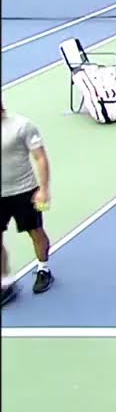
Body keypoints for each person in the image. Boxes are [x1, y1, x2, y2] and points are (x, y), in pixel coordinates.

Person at [1, 102, 54, 306]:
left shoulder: (21, 125)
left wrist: (44, 189)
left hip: (24, 192)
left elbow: (40, 157)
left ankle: (43, 269)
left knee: (36, 232)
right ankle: (4, 281)